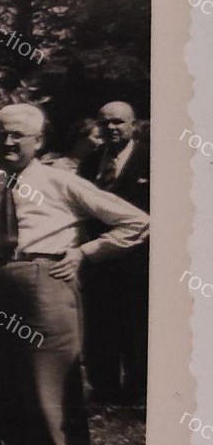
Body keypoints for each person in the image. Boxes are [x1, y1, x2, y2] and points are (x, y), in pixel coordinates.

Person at [0, 103, 149, 445]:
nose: (7, 143)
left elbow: (135, 222)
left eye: (18, 136)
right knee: (10, 395)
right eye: (0, 134)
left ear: (38, 141)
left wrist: (84, 253)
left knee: (55, 393)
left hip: (47, 285)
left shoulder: (61, 182)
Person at [77, 100, 150, 404]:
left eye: (119, 122)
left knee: (136, 328)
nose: (112, 128)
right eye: (105, 122)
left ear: (133, 125)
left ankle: (138, 393)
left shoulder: (151, 160)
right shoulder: (90, 162)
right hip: (97, 260)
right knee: (99, 327)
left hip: (138, 260)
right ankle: (104, 391)